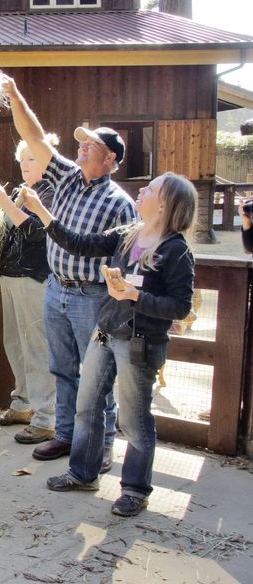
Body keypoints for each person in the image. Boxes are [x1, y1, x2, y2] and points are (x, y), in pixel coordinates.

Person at [21, 172, 196, 517]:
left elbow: (180, 307)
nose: (141, 191)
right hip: (105, 334)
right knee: (87, 406)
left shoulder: (176, 251)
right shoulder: (127, 236)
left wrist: (135, 296)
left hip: (139, 343)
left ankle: (134, 490)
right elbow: (80, 244)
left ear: (164, 204)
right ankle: (83, 474)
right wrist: (42, 212)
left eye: (150, 189)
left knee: (134, 420)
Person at [2, 76, 137, 469]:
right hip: (55, 289)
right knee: (61, 367)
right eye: (81, 142)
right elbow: (36, 136)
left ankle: (104, 444)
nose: (82, 147)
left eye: (91, 145)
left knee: (97, 374)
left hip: (92, 296)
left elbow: (124, 259)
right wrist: (14, 95)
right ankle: (64, 435)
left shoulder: (119, 203)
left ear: (110, 157)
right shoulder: (64, 177)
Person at [0, 137, 57, 444]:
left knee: (37, 346)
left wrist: (3, 202)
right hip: (10, 276)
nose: (26, 165)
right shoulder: (17, 192)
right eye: (23, 160)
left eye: (33, 159)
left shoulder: (52, 194)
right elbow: (6, 234)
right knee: (14, 343)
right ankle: (23, 404)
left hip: (35, 277)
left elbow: (37, 234)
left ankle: (46, 418)